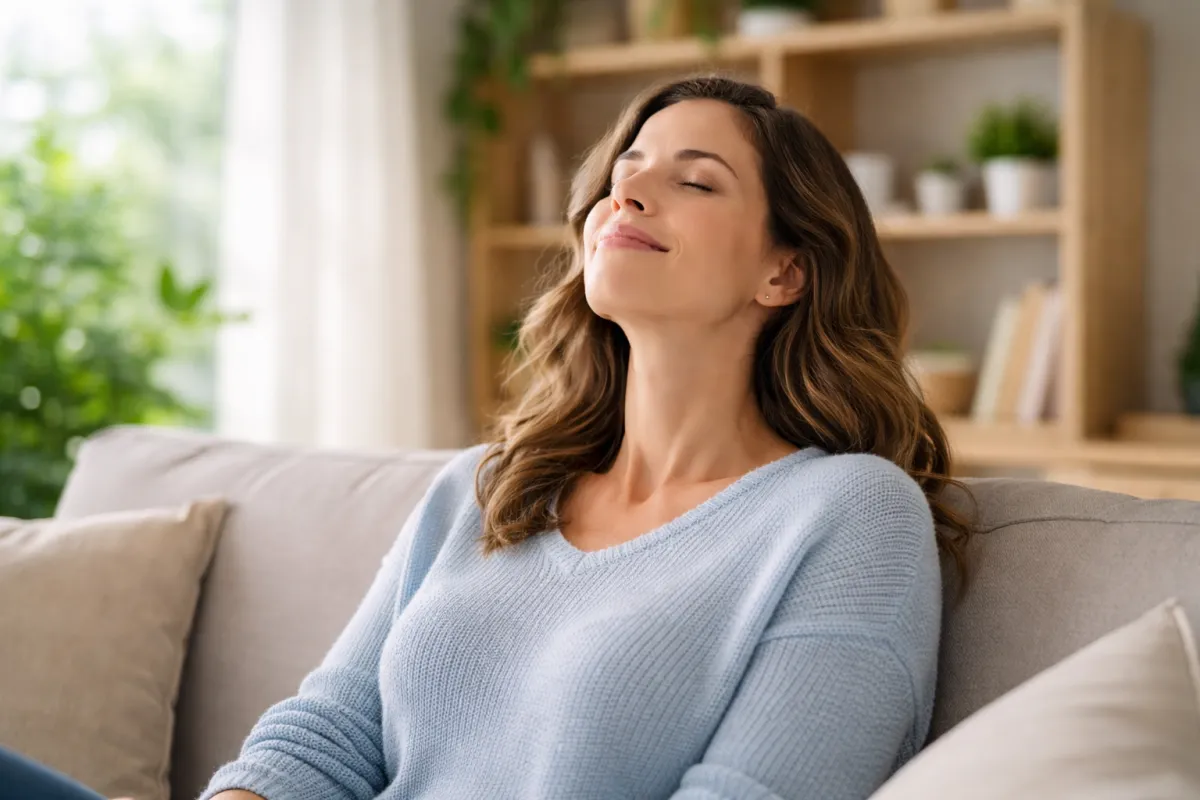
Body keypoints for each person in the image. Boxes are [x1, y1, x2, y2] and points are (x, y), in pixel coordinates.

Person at [200, 76, 975, 800]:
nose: (625, 192)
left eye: (695, 181)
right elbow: (320, 741)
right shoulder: (492, 486)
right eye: (623, 172)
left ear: (784, 273)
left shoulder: (850, 513)